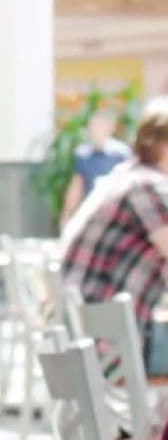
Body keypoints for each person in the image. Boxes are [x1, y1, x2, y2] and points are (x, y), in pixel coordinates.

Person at [61, 97, 168, 371]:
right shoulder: (148, 186)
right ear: (161, 145)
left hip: (83, 335)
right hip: (109, 346)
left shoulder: (125, 176)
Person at [60, 108, 131, 229]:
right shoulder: (82, 154)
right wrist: (66, 215)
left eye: (100, 126)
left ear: (110, 128)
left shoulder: (122, 153)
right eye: (92, 126)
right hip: (90, 212)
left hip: (115, 213)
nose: (95, 130)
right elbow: (76, 186)